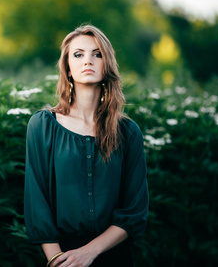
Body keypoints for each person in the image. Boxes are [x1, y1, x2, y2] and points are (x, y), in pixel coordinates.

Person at [24, 24, 149, 267]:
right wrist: (57, 260)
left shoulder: (127, 132)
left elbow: (134, 210)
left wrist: (90, 252)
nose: (87, 61)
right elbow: (36, 200)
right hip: (62, 257)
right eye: (78, 54)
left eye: (97, 54)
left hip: (115, 256)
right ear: (68, 67)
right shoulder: (42, 125)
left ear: (107, 64)